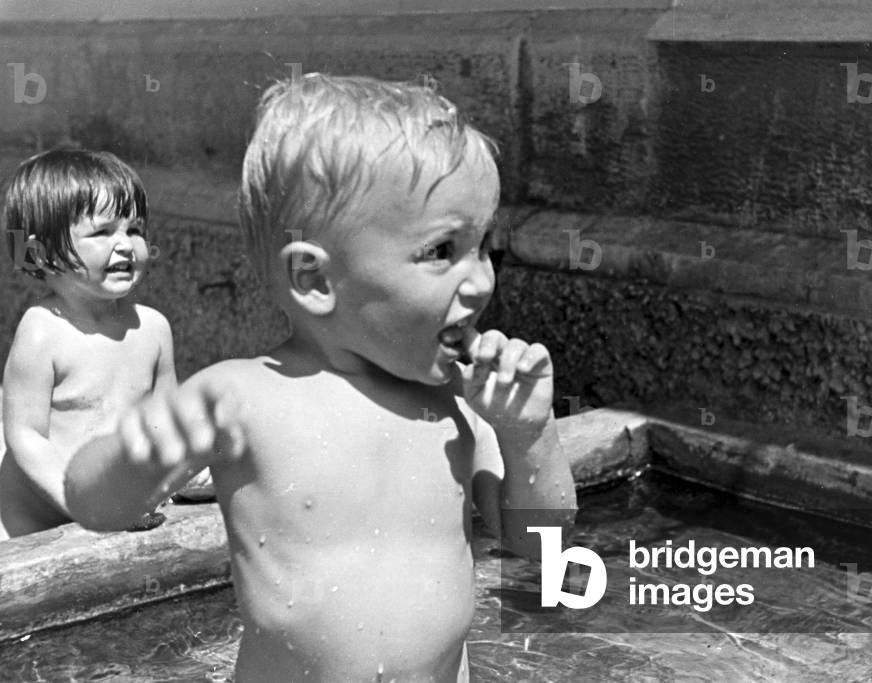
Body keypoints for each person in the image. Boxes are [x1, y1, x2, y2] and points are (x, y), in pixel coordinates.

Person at [65, 74, 577, 682]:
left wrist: (528, 433)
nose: (481, 280)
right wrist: (137, 453)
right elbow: (94, 507)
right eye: (442, 251)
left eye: (483, 245)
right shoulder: (241, 399)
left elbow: (540, 547)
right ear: (314, 280)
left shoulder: (456, 401)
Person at [0, 150, 209, 540]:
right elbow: (25, 437)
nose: (126, 245)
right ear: (39, 254)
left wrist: (187, 470)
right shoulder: (43, 332)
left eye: (135, 230)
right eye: (102, 232)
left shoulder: (152, 329)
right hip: (32, 527)